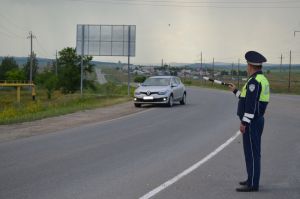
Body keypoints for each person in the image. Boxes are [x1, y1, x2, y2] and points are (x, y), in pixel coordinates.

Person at [228, 51, 270, 192]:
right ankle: (250, 178)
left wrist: (244, 123)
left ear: (251, 65)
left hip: (252, 122)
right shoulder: (260, 79)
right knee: (252, 152)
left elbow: (251, 107)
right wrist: (235, 91)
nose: (247, 67)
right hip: (256, 121)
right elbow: (247, 99)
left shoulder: (254, 82)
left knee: (252, 153)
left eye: (247, 65)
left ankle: (253, 184)